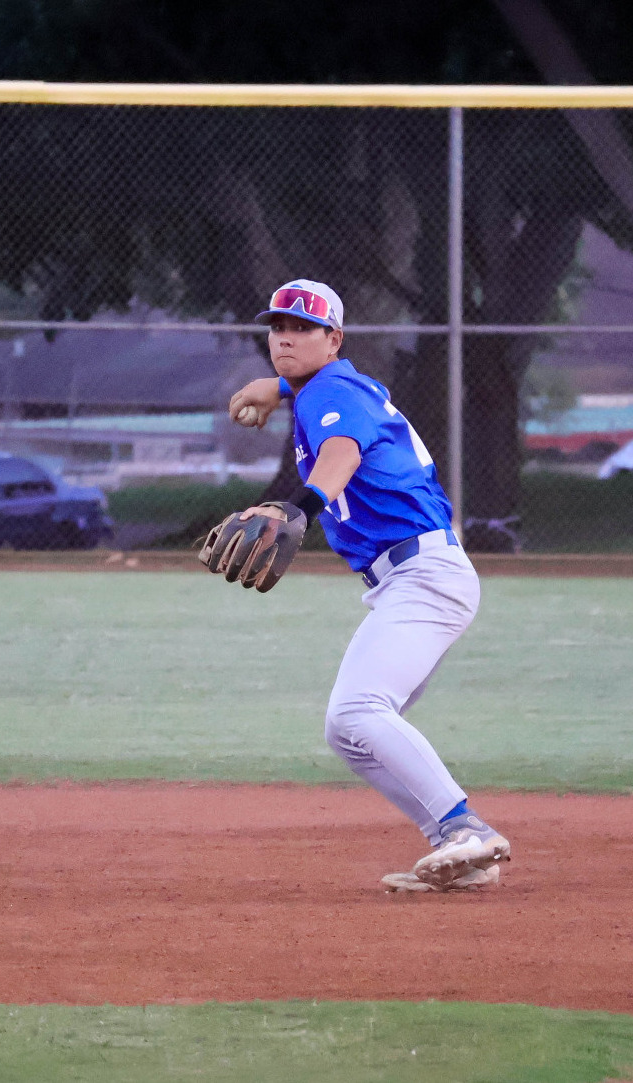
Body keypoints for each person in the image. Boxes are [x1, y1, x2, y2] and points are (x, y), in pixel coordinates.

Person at [216, 279, 510, 893]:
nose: (285, 338)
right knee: (349, 731)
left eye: (302, 329)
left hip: (423, 575)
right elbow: (318, 397)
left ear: (335, 338)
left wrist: (298, 505)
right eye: (277, 328)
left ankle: (466, 829)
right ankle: (460, 852)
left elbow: (343, 451)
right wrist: (277, 387)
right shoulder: (333, 386)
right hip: (415, 576)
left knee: (359, 710)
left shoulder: (332, 391)